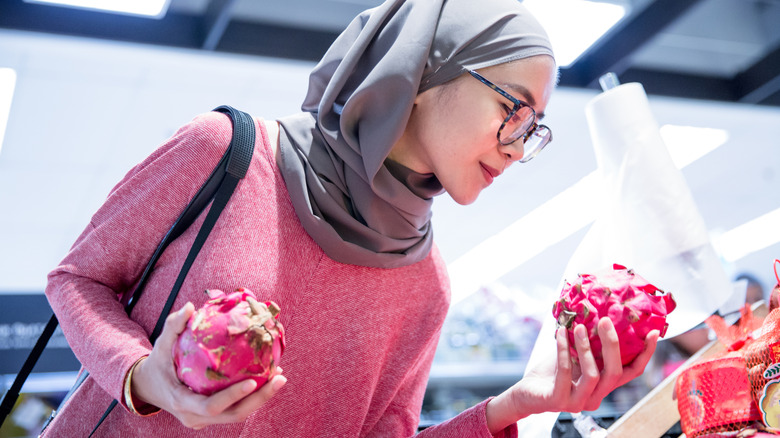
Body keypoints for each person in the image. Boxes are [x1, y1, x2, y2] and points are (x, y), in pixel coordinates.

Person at [41, 0, 659, 436]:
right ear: (426, 72)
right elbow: (76, 280)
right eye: (514, 112)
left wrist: (517, 405)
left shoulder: (427, 284)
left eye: (535, 131)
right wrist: (142, 376)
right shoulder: (224, 153)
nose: (519, 148)